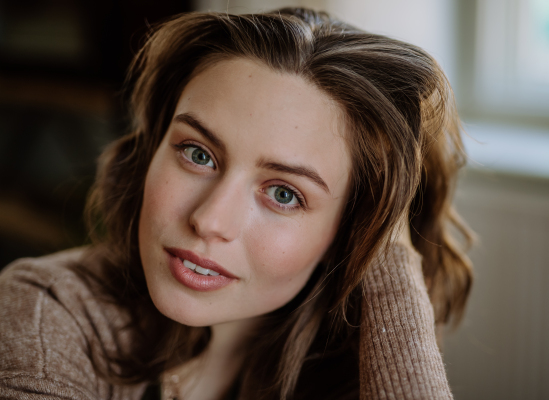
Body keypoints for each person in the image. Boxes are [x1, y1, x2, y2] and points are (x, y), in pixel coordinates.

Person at [0, 7, 473, 400]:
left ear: (350, 229)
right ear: (152, 149)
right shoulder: (43, 313)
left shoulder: (352, 369)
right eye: (198, 154)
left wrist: (385, 244)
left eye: (284, 193)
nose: (209, 220)